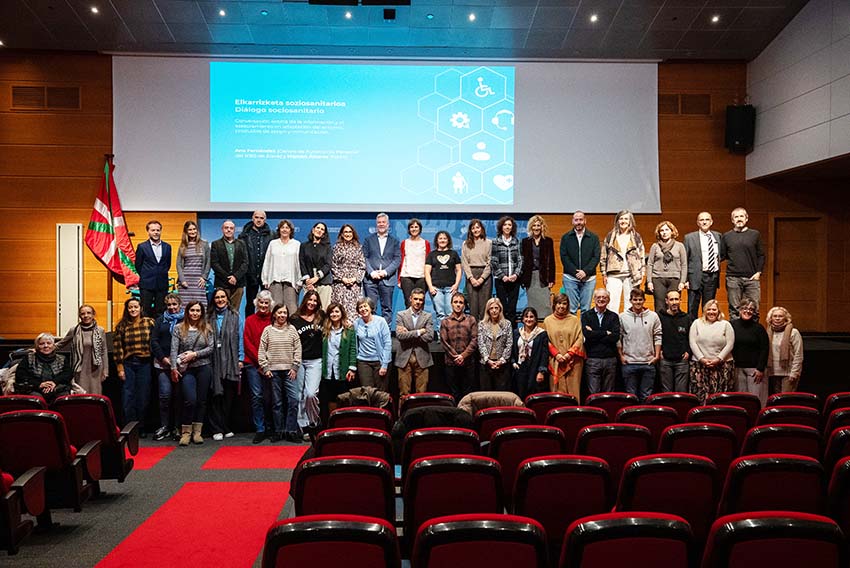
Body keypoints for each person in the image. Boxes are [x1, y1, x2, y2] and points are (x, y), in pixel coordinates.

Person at [170, 301, 214, 446]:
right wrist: (173, 368)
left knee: (202, 400)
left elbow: (211, 348)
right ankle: (186, 432)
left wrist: (194, 354)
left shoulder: (207, 328)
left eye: (198, 310)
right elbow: (173, 349)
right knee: (190, 400)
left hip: (204, 367)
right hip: (186, 370)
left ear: (201, 313)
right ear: (187, 311)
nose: (195, 313)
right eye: (192, 310)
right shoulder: (178, 328)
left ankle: (197, 432)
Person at [258, 304, 302, 443]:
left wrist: (295, 367)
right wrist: (265, 368)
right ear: (275, 314)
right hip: (273, 372)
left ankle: (291, 431)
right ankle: (278, 431)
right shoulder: (267, 330)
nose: (282, 315)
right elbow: (261, 351)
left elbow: (298, 349)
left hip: (290, 371)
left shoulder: (292, 329)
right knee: (276, 403)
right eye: (279, 312)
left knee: (293, 401)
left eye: (285, 312)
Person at [113, 297, 156, 430]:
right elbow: (118, 348)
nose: (133, 309)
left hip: (145, 364)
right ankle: (130, 429)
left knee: (143, 397)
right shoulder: (121, 326)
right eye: (130, 307)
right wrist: (120, 368)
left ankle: (141, 427)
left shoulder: (150, 323)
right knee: (128, 397)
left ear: (141, 308)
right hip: (128, 364)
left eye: (135, 307)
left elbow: (155, 343)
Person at [207, 288, 244, 441]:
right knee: (216, 396)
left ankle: (225, 426)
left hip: (230, 362)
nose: (220, 300)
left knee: (228, 397)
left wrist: (240, 359)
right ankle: (216, 428)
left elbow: (239, 338)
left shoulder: (236, 316)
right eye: (217, 297)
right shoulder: (208, 317)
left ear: (227, 299)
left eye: (223, 297)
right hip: (212, 361)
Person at [290, 290, 325, 438]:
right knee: (298, 395)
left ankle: (314, 421)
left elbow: (337, 319)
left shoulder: (322, 316)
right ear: (305, 300)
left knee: (310, 393)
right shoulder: (295, 319)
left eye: (315, 301)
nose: (312, 303)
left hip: (315, 360)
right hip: (299, 361)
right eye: (310, 300)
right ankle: (302, 425)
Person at [150, 293, 183, 441]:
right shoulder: (160, 321)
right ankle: (164, 426)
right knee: (165, 395)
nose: (172, 307)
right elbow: (154, 341)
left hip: (180, 365)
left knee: (178, 396)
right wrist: (163, 358)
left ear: (180, 305)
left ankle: (177, 426)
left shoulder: (185, 320)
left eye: (174, 304)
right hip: (162, 364)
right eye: (169, 305)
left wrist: (176, 360)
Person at [618, 289, 661, 403]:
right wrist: (621, 356)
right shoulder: (622, 317)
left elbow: (657, 336)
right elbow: (619, 338)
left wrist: (656, 356)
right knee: (631, 397)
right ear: (630, 301)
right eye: (635, 300)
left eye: (640, 299)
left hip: (648, 363)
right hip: (629, 363)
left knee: (646, 397)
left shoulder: (653, 316)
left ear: (644, 300)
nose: (638, 302)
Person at [688, 299, 735, 404]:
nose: (711, 312)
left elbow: (730, 344)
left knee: (720, 398)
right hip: (699, 365)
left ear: (718, 311)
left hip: (722, 366)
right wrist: (702, 359)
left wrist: (718, 359)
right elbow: (692, 343)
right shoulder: (696, 323)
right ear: (704, 311)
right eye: (708, 309)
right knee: (700, 396)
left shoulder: (726, 324)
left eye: (714, 309)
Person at [54, 304, 108, 395]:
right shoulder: (74, 330)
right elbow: (61, 344)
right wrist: (43, 348)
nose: (86, 315)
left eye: (88, 313)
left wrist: (105, 371)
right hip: (79, 369)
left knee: (95, 394)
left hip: (96, 369)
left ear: (93, 315)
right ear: (79, 316)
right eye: (83, 314)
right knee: (80, 394)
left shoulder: (100, 330)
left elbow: (104, 351)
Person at [243, 290, 274, 444]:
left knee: (269, 397)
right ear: (256, 303)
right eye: (261, 302)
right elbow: (247, 343)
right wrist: (261, 362)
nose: (263, 305)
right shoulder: (249, 320)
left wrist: (267, 363)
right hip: (253, 364)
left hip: (270, 365)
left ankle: (270, 427)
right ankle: (260, 428)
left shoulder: (274, 321)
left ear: (270, 305)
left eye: (266, 303)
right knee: (257, 397)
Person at [723, 207, 765, 319]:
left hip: (752, 278)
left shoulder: (755, 234)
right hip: (733, 278)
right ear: (732, 220)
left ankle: (752, 336)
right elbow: (723, 255)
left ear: (746, 218)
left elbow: (761, 255)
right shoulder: (726, 236)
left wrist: (758, 272)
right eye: (736, 217)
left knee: (754, 309)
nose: (739, 219)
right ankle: (735, 336)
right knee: (734, 310)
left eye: (741, 216)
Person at [600, 210, 645, 313]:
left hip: (631, 274)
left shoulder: (636, 237)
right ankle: (613, 328)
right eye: (621, 218)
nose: (623, 221)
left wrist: (642, 272)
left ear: (630, 221)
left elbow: (641, 255)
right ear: (617, 220)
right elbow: (604, 255)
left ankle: (627, 328)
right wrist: (604, 273)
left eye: (626, 218)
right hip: (613, 274)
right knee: (612, 305)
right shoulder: (610, 236)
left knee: (630, 305)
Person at [320, 302, 357, 426]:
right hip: (327, 372)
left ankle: (344, 424)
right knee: (329, 399)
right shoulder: (324, 330)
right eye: (332, 312)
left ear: (341, 313)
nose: (334, 314)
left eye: (337, 311)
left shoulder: (349, 330)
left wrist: (352, 368)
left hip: (342, 371)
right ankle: (331, 425)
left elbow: (353, 349)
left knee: (343, 399)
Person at [544, 294, 586, 398]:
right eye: (559, 303)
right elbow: (545, 341)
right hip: (555, 361)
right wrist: (557, 354)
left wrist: (569, 354)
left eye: (564, 303)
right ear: (554, 304)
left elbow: (580, 339)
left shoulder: (575, 320)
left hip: (574, 361)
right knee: (558, 393)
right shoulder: (547, 321)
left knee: (574, 391)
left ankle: (574, 413)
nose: (561, 306)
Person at [362, 212, 401, 326]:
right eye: (379, 222)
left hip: (387, 280)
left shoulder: (395, 241)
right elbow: (364, 258)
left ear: (388, 224)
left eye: (383, 222)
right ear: (376, 224)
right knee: (370, 307)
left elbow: (397, 259)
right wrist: (371, 272)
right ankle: (370, 331)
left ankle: (386, 333)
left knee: (387, 309)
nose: (381, 224)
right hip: (370, 280)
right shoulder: (368, 240)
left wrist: (385, 272)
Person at [684, 211, 724, 319]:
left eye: (707, 220)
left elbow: (722, 255)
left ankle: (707, 331)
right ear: (698, 223)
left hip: (712, 277)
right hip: (694, 277)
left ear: (711, 222)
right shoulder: (689, 238)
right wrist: (686, 279)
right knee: (692, 308)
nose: (704, 222)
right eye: (702, 220)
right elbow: (685, 260)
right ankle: (691, 332)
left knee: (709, 307)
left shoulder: (718, 236)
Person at [395, 288, 434, 396]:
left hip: (422, 358)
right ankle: (403, 413)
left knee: (421, 394)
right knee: (404, 394)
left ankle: (419, 413)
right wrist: (419, 332)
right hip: (404, 357)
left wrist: (409, 333)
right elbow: (400, 336)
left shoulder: (428, 316)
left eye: (420, 300)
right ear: (410, 299)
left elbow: (430, 337)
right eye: (415, 299)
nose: (418, 302)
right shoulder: (401, 315)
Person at [440, 292, 478, 402]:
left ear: (464, 305)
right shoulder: (445, 322)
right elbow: (444, 341)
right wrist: (456, 357)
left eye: (460, 302)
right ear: (451, 304)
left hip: (468, 362)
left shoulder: (471, 320)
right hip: (451, 363)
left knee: (467, 393)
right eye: (455, 302)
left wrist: (463, 356)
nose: (458, 304)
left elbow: (474, 340)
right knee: (453, 393)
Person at [560, 211, 600, 314]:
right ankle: (573, 330)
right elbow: (564, 257)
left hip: (589, 279)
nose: (578, 222)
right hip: (570, 278)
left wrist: (585, 272)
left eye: (581, 220)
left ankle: (584, 330)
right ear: (572, 221)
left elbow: (596, 257)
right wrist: (575, 272)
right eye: (576, 220)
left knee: (586, 310)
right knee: (571, 309)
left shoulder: (593, 238)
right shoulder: (566, 237)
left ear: (585, 221)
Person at [581, 288, 620, 395]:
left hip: (610, 359)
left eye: (604, 297)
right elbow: (587, 335)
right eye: (598, 297)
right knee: (593, 394)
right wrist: (606, 333)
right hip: (593, 359)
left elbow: (615, 337)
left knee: (609, 394)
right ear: (594, 299)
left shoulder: (614, 316)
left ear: (608, 300)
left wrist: (594, 333)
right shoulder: (586, 315)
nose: (601, 299)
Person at [731, 299, 769, 406]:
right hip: (737, 369)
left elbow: (764, 349)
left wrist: (760, 368)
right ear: (739, 310)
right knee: (740, 400)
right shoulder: (732, 325)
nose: (748, 311)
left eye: (751, 309)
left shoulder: (759, 328)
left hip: (755, 370)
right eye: (745, 308)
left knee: (756, 401)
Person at [14, 333, 72, 404]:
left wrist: (54, 382)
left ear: (53, 346)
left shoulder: (62, 358)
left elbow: (68, 374)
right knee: (37, 401)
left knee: (63, 401)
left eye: (49, 343)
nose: (46, 346)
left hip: (58, 388)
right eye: (42, 344)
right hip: (34, 389)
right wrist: (39, 384)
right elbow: (20, 375)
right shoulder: (29, 358)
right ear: (37, 346)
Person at [262, 219, 301, 316]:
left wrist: (299, 281)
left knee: (292, 310)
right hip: (275, 281)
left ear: (291, 230)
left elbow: (299, 264)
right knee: (275, 309)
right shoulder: (273, 243)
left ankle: (291, 330)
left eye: (287, 228)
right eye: (282, 227)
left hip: (291, 282)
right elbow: (267, 261)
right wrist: (265, 279)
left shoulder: (296, 244)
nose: (284, 230)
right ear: (279, 230)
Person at [647, 221, 687, 312]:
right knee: (660, 305)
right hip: (658, 279)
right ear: (659, 233)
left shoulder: (680, 246)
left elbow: (684, 264)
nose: (664, 232)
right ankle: (660, 326)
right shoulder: (655, 246)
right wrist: (649, 281)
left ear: (672, 231)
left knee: (673, 305)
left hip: (675, 279)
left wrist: (682, 281)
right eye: (662, 230)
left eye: (667, 230)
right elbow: (649, 264)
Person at [425, 230, 461, 331]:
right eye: (440, 238)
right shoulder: (432, 255)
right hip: (436, 288)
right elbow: (427, 272)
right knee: (440, 313)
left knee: (450, 312)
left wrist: (456, 284)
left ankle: (451, 335)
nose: (442, 240)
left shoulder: (453, 253)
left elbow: (459, 270)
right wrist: (430, 287)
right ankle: (442, 336)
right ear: (437, 240)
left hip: (450, 288)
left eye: (445, 238)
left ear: (448, 240)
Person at [239, 210, 273, 317]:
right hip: (250, 274)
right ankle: (250, 325)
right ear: (253, 218)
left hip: (266, 275)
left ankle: (267, 326)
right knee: (250, 303)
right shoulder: (244, 235)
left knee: (267, 303)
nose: (259, 220)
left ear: (265, 220)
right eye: (257, 217)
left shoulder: (271, 235)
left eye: (261, 218)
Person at [135, 220, 172, 318]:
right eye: (153, 230)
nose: (156, 232)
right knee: (145, 310)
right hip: (147, 284)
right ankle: (147, 332)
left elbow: (167, 264)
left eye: (158, 230)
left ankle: (158, 332)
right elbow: (138, 265)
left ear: (160, 231)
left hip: (162, 284)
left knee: (160, 310)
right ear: (148, 232)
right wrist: (147, 274)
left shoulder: (167, 247)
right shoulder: (142, 247)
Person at [520, 215, 555, 319]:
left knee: (545, 304)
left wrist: (551, 279)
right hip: (530, 277)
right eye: (534, 225)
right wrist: (523, 279)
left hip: (543, 277)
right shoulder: (525, 242)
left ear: (542, 227)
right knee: (532, 305)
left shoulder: (548, 241)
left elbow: (551, 261)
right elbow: (522, 261)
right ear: (531, 227)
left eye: (538, 225)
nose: (536, 228)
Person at [354, 297, 392, 392]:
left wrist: (384, 365)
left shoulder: (381, 321)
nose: (363, 309)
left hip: (379, 361)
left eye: (365, 306)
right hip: (363, 361)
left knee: (381, 393)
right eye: (360, 307)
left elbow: (387, 343)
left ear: (371, 307)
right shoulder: (356, 323)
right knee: (367, 392)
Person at [658, 290, 692, 393]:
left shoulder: (686, 318)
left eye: (676, 299)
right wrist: (659, 352)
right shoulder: (660, 317)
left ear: (680, 300)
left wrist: (688, 352)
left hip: (682, 360)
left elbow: (692, 337)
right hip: (665, 360)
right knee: (666, 393)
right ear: (666, 301)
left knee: (681, 392)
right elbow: (655, 336)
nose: (674, 302)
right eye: (671, 299)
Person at [210, 219, 248, 311]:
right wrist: (228, 277)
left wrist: (235, 277)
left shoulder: (242, 243)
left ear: (234, 230)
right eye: (226, 228)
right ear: (222, 229)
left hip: (238, 283)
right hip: (222, 283)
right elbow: (214, 263)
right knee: (222, 309)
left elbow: (245, 262)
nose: (229, 230)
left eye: (231, 228)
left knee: (235, 310)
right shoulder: (216, 244)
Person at [765, 306, 804, 395]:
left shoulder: (794, 332)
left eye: (780, 316)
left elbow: (798, 354)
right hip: (773, 372)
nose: (777, 318)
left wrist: (795, 372)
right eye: (775, 316)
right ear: (770, 318)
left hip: (789, 372)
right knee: (777, 399)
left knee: (786, 399)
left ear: (786, 318)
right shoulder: (768, 332)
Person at [491, 215, 523, 322]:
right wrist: (502, 276)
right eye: (505, 225)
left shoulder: (517, 242)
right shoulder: (496, 242)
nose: (507, 227)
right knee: (503, 307)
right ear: (501, 227)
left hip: (514, 279)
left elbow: (520, 260)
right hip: (501, 280)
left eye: (510, 225)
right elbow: (494, 261)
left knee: (512, 308)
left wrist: (516, 275)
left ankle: (512, 334)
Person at [512, 307, 549, 399]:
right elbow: (512, 351)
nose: (529, 319)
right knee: (519, 396)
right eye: (526, 317)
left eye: (531, 317)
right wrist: (513, 362)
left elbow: (544, 354)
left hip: (534, 369)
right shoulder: (516, 333)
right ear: (523, 319)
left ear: (536, 319)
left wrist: (541, 371)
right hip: (519, 368)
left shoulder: (541, 334)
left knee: (532, 396)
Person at [477, 297, 513, 391]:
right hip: (486, 364)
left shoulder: (507, 324)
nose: (494, 311)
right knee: (486, 393)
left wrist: (501, 360)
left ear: (500, 309)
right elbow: (481, 343)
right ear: (488, 310)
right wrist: (488, 360)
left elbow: (509, 343)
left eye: (496, 308)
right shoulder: (482, 324)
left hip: (502, 365)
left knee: (501, 393)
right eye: (491, 308)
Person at [331, 224, 366, 318]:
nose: (348, 234)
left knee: (354, 311)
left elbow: (362, 266)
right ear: (341, 234)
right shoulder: (336, 247)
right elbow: (333, 266)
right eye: (345, 232)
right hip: (340, 285)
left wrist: (355, 279)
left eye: (350, 232)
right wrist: (343, 279)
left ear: (353, 234)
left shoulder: (358, 247)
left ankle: (353, 332)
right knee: (340, 309)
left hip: (354, 285)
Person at [461, 218, 493, 321]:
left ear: (482, 229)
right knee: (473, 306)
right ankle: (474, 333)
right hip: (471, 275)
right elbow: (464, 262)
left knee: (485, 306)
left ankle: (484, 333)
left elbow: (490, 262)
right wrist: (471, 278)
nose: (476, 230)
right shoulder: (466, 244)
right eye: (473, 228)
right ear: (470, 230)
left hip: (485, 276)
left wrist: (482, 278)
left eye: (477, 227)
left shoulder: (488, 243)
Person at [175, 220, 210, 308]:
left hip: (199, 281)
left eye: (194, 229)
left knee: (200, 306)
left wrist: (204, 277)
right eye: (190, 230)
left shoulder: (204, 244)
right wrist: (182, 280)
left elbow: (208, 262)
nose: (193, 231)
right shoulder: (183, 246)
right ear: (186, 232)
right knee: (185, 307)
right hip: (185, 281)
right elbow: (178, 264)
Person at [299, 221, 333, 309]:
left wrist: (317, 277)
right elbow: (302, 263)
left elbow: (328, 264)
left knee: (324, 310)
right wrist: (307, 280)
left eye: (322, 229)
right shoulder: (304, 246)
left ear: (324, 234)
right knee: (308, 309)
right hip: (309, 283)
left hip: (323, 283)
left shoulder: (327, 247)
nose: (319, 230)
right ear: (313, 230)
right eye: (318, 228)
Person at [399, 218, 431, 307]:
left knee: (420, 304)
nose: (414, 229)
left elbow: (428, 262)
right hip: (406, 276)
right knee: (409, 303)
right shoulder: (404, 243)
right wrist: (399, 279)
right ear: (409, 229)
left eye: (416, 227)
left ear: (420, 229)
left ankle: (420, 321)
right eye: (412, 227)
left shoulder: (426, 243)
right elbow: (401, 261)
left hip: (422, 277)